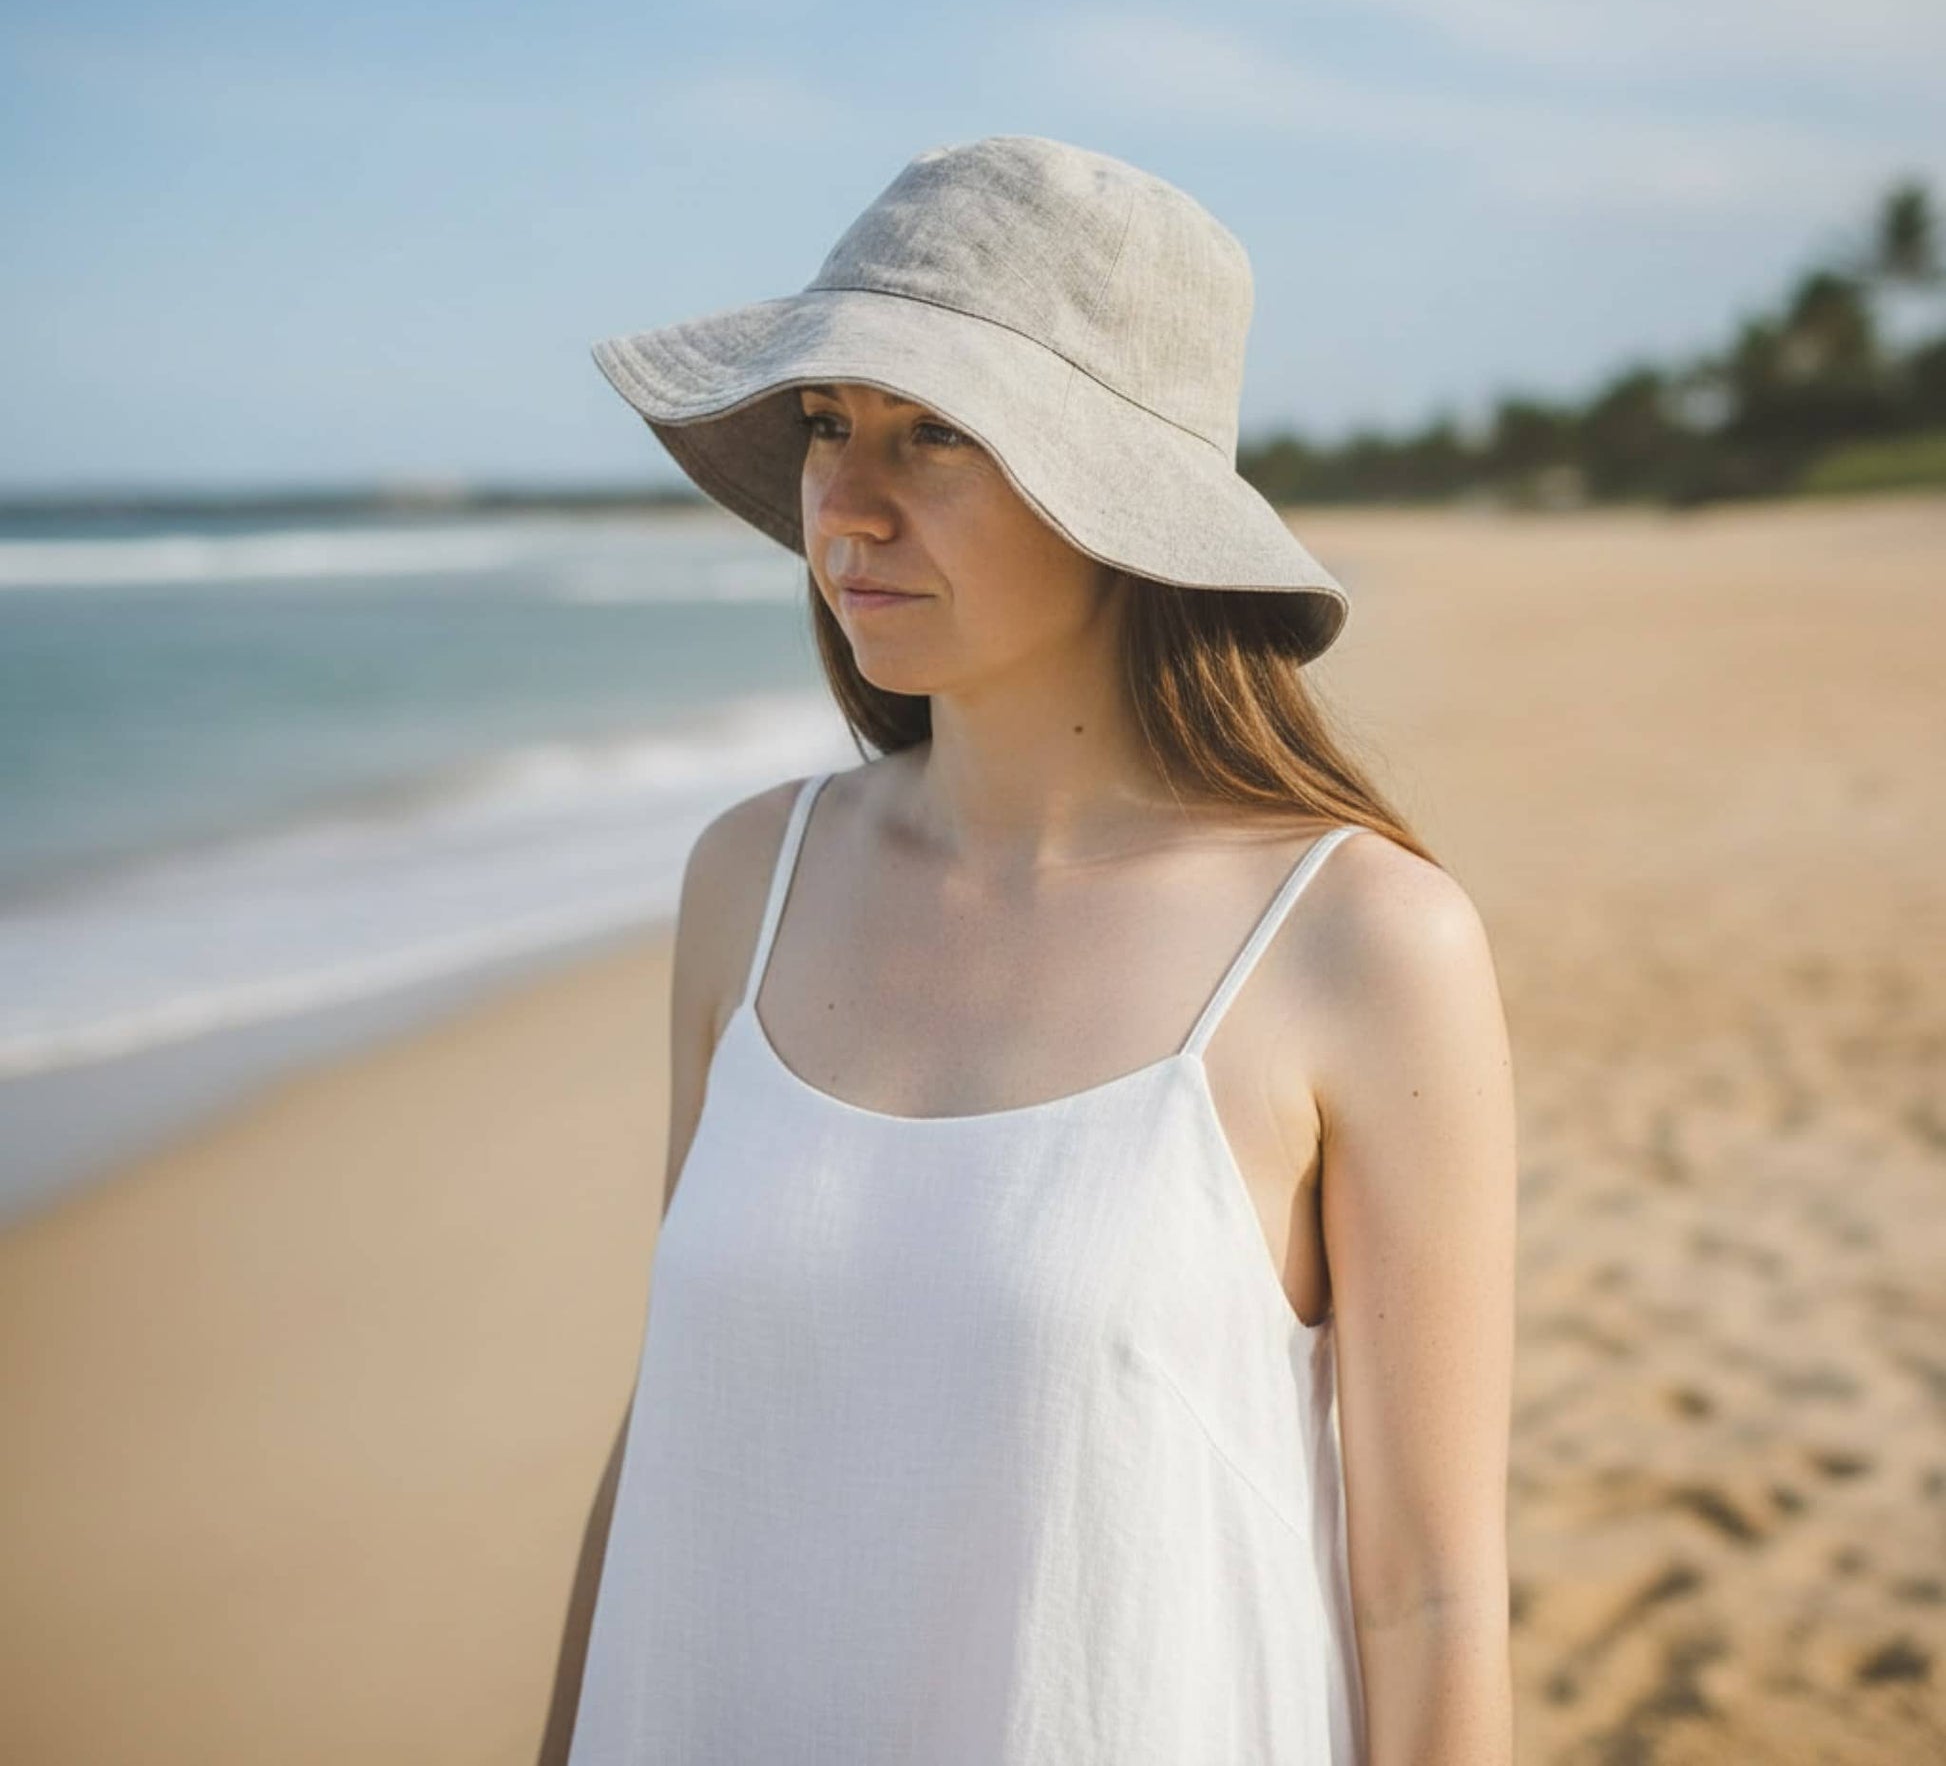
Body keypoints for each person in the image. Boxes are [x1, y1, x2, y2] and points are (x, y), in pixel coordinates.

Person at [538, 136, 1517, 1765]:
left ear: (1116, 502)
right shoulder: (747, 880)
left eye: (937, 436)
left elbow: (1427, 1593)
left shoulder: (1356, 939)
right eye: (829, 424)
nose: (844, 506)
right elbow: (670, 1442)